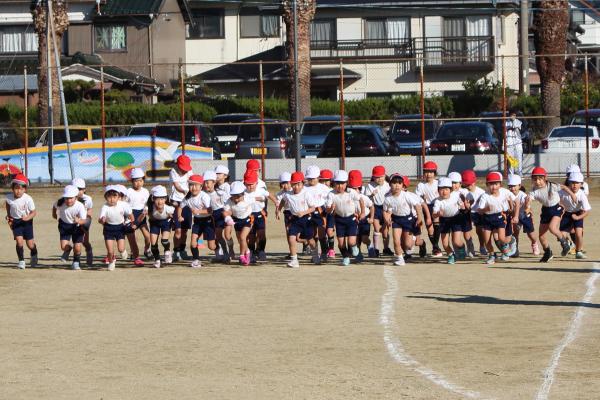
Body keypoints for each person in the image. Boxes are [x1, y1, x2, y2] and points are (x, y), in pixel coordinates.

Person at [526, 167, 571, 262]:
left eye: (540, 179)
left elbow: (564, 187)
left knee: (552, 228)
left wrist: (573, 195)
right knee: (541, 236)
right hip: (546, 211)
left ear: (545, 178)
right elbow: (529, 199)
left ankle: (565, 243)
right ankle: (548, 252)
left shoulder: (552, 185)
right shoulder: (534, 190)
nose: (537, 181)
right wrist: (527, 207)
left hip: (557, 208)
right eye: (535, 179)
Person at [278, 171, 320, 268]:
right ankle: (294, 260)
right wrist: (278, 210)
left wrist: (304, 212)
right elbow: (283, 201)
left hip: (306, 219)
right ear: (291, 184)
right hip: (295, 220)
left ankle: (315, 255)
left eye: (298, 184)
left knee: (310, 240)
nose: (296, 187)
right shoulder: (288, 194)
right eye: (294, 184)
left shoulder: (306, 193)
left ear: (303, 183)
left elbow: (313, 208)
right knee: (291, 238)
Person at [477, 172, 518, 265]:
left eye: (496, 184)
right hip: (487, 219)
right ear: (487, 185)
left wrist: (513, 209)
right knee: (487, 241)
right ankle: (492, 255)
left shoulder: (504, 192)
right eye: (491, 184)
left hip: (500, 217)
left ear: (500, 184)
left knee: (501, 239)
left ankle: (511, 240)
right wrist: (485, 209)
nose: (494, 187)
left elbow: (515, 200)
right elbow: (479, 210)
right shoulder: (485, 196)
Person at [383, 174, 425, 266]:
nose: (397, 185)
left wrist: (419, 218)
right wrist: (387, 220)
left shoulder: (406, 195)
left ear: (403, 185)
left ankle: (419, 242)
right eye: (394, 183)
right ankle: (400, 259)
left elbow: (417, 205)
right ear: (390, 185)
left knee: (407, 245)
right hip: (396, 220)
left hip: (408, 219)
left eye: (399, 183)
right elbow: (385, 210)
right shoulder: (387, 198)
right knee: (396, 240)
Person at [325, 170, 364, 266]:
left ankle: (355, 247)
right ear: (333, 183)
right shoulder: (331, 194)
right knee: (341, 243)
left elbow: (361, 199)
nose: (340, 186)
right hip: (339, 220)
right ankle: (346, 257)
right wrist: (331, 208)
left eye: (343, 183)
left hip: (351, 219)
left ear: (346, 183)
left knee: (351, 241)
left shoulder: (351, 192)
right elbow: (328, 210)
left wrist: (362, 212)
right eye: (337, 183)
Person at [181, 174, 215, 268]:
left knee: (211, 246)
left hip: (208, 221)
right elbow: (180, 206)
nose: (194, 187)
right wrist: (179, 215)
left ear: (201, 186)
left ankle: (221, 249)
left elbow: (210, 210)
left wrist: (199, 211)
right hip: (197, 221)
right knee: (193, 242)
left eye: (196, 185)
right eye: (191, 185)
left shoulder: (204, 196)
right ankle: (196, 260)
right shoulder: (187, 197)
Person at [5, 174, 38, 269]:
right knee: (19, 242)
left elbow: (34, 212)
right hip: (16, 222)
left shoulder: (28, 199)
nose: (18, 191)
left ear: (25, 189)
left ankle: (34, 254)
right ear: (12, 188)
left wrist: (27, 218)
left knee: (30, 244)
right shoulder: (9, 197)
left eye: (21, 189)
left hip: (27, 222)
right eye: (16, 188)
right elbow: (8, 204)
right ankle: (21, 261)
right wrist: (9, 215)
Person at [99, 185, 134, 271]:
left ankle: (123, 251)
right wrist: (102, 220)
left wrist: (132, 221)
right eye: (109, 196)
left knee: (121, 249)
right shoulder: (105, 207)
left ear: (118, 197)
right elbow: (100, 219)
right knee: (110, 251)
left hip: (120, 228)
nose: (112, 199)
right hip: (108, 229)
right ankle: (111, 262)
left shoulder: (122, 204)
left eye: (114, 196)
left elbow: (130, 214)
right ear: (105, 197)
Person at [53, 185, 88, 270]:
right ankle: (68, 250)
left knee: (78, 247)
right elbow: (54, 207)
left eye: (71, 198)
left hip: (77, 227)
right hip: (64, 226)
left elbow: (84, 220)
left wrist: (79, 221)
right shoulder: (60, 202)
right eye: (66, 198)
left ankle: (76, 262)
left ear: (76, 197)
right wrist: (54, 214)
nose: (68, 200)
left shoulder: (80, 206)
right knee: (63, 247)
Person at [431, 177, 465, 265]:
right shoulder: (438, 201)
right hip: (444, 220)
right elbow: (434, 214)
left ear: (450, 190)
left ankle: (461, 247)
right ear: (438, 190)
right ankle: (451, 255)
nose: (444, 192)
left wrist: (463, 206)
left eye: (446, 189)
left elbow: (462, 204)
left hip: (456, 218)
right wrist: (438, 214)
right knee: (445, 243)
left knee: (456, 241)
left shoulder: (456, 195)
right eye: (441, 189)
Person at [558, 172, 591, 259]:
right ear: (569, 183)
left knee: (579, 234)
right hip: (566, 214)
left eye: (577, 183)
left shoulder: (581, 194)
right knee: (561, 235)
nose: (575, 185)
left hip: (578, 213)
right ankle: (568, 245)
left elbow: (587, 211)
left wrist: (578, 217)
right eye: (572, 182)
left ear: (581, 184)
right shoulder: (562, 192)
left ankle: (578, 251)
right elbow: (555, 200)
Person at [223, 181, 255, 266]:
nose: (236, 199)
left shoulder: (248, 198)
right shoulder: (229, 201)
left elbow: (258, 198)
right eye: (234, 196)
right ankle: (247, 251)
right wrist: (227, 217)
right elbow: (225, 212)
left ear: (243, 193)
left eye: (238, 196)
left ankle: (242, 256)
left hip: (247, 219)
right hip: (236, 220)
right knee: (241, 240)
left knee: (242, 237)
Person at [507, 175, 540, 257]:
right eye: (510, 186)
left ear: (519, 186)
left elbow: (528, 207)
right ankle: (515, 250)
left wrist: (528, 209)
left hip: (525, 216)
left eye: (514, 186)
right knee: (515, 233)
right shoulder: (507, 195)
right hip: (515, 216)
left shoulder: (523, 196)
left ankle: (534, 243)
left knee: (531, 234)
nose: (512, 188)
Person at [364, 165, 391, 257]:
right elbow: (366, 198)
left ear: (384, 176)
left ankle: (386, 248)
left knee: (385, 231)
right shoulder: (370, 186)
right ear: (373, 177)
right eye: (377, 177)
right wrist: (371, 195)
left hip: (385, 208)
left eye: (381, 176)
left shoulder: (388, 185)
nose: (379, 179)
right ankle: (376, 249)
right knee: (376, 229)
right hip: (375, 208)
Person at [170, 155, 193, 261]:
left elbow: (192, 182)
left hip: (187, 202)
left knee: (184, 230)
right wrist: (184, 191)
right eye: (183, 168)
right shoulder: (173, 171)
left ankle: (183, 250)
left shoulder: (189, 171)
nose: (185, 171)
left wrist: (192, 192)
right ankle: (176, 251)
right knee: (178, 230)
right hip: (176, 202)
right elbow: (177, 186)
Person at [416, 161, 442, 257]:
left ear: (435, 173)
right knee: (430, 229)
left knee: (437, 226)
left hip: (438, 206)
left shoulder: (438, 183)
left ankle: (435, 247)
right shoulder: (421, 185)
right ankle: (435, 247)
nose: (429, 174)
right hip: (427, 207)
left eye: (431, 172)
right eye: (426, 172)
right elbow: (419, 199)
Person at [126, 168, 151, 266]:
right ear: (132, 181)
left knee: (148, 236)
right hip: (131, 215)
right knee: (133, 237)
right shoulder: (129, 191)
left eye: (141, 180)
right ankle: (133, 252)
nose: (139, 183)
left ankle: (146, 250)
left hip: (142, 215)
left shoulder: (145, 191)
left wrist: (146, 210)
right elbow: (125, 203)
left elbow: (147, 203)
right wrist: (127, 215)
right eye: (136, 181)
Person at [349, 170, 373, 261]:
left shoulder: (364, 197)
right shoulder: (348, 197)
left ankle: (369, 245)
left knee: (364, 238)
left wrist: (371, 217)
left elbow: (372, 206)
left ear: (360, 189)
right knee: (356, 239)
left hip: (364, 219)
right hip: (354, 219)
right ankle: (358, 255)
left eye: (356, 189)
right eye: (352, 189)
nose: (354, 191)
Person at [461, 170, 486, 256]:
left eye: (470, 184)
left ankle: (482, 246)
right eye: (466, 184)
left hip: (478, 213)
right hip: (467, 213)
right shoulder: (462, 191)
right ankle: (470, 247)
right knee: (467, 231)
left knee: (480, 231)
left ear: (474, 182)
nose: (468, 186)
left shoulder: (481, 193)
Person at [72, 178, 94, 266]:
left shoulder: (88, 199)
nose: (78, 191)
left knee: (85, 241)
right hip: (73, 223)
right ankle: (76, 260)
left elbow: (89, 210)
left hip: (83, 222)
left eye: (80, 189)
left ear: (84, 189)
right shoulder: (70, 198)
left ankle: (89, 250)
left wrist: (87, 221)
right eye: (76, 189)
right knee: (76, 243)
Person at [319, 169, 337, 259]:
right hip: (321, 212)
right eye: (322, 181)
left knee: (329, 232)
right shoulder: (318, 189)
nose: (325, 183)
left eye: (327, 180)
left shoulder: (332, 191)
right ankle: (323, 250)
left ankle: (331, 250)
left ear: (331, 181)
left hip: (330, 213)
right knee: (322, 232)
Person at [505, 110, 523, 176]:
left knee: (519, 159)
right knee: (511, 160)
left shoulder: (519, 122)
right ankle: (511, 174)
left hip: (518, 143)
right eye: (512, 115)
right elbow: (504, 132)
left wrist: (515, 126)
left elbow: (520, 130)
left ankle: (519, 174)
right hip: (509, 144)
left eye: (514, 115)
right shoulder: (506, 123)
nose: (513, 116)